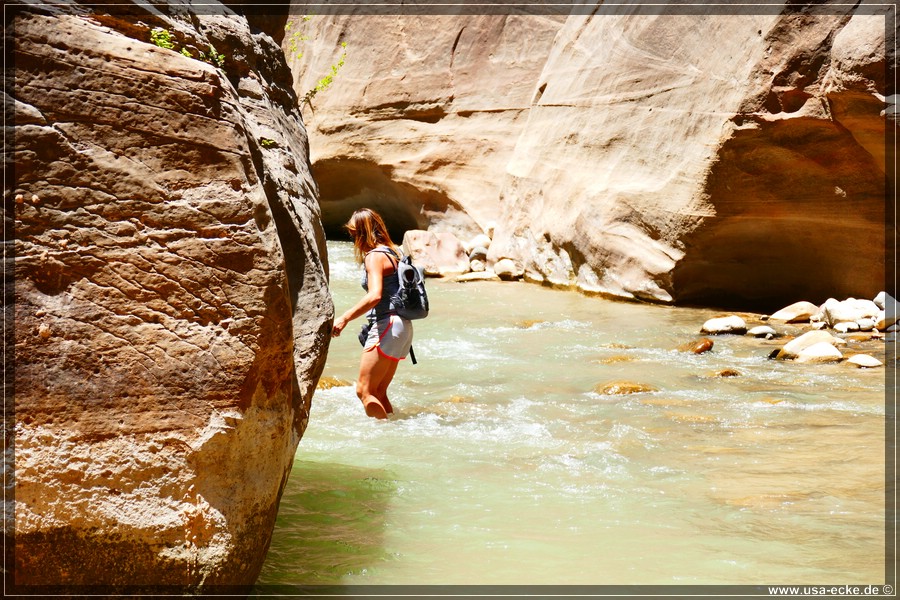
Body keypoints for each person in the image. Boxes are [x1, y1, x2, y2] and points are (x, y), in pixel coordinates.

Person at [331, 208, 414, 419]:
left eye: (352, 233)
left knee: (364, 391)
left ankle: (382, 439)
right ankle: (391, 432)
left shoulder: (375, 257)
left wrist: (344, 318)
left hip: (388, 323)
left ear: (362, 232)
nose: (351, 238)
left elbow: (375, 295)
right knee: (378, 391)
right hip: (403, 325)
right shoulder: (395, 252)